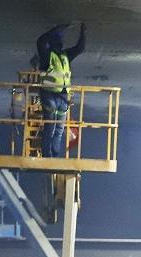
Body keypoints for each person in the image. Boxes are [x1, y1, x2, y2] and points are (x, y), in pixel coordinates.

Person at [36, 22, 86, 158]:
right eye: (58, 40)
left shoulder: (65, 56)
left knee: (58, 129)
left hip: (63, 97)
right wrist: (54, 30)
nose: (60, 43)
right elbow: (40, 42)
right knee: (51, 128)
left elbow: (80, 48)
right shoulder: (47, 57)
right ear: (53, 43)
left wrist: (83, 32)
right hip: (50, 95)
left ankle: (54, 154)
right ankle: (48, 155)